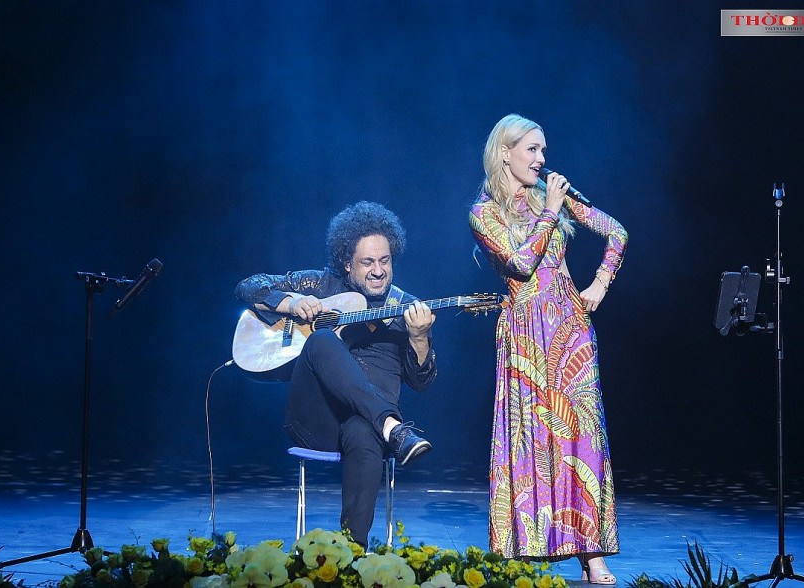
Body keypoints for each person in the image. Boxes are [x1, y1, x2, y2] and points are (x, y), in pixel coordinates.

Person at [468, 114, 627, 583]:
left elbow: (617, 231)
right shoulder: (484, 212)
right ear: (505, 152)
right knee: (530, 438)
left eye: (543, 150)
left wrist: (599, 283)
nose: (541, 159)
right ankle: (524, 546)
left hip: (570, 327)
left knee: (581, 438)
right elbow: (519, 264)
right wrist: (550, 212)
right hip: (524, 334)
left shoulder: (550, 197)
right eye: (532, 150)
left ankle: (590, 551)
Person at [235, 201, 437, 547]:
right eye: (368, 262)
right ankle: (393, 427)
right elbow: (248, 287)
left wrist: (419, 338)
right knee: (323, 339)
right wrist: (291, 302)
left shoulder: (405, 307)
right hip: (315, 422)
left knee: (363, 428)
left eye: (385, 261)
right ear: (347, 262)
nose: (378, 271)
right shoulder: (322, 284)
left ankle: (351, 553)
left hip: (368, 431)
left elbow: (422, 382)